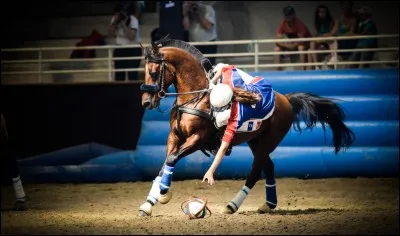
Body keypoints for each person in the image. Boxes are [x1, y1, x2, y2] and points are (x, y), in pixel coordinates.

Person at [203, 63, 275, 185]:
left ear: (227, 105)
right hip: (260, 85)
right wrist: (212, 80)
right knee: (218, 65)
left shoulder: (237, 115)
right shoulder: (229, 79)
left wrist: (211, 170)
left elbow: (223, 147)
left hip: (266, 106)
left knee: (220, 120)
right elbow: (224, 67)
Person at [108, 2, 142, 81]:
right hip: (120, 48)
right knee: (119, 74)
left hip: (133, 49)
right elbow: (110, 34)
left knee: (132, 74)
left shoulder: (133, 20)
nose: (121, 16)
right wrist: (114, 23)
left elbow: (132, 37)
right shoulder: (115, 19)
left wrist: (124, 26)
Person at [274, 6, 312, 71]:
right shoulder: (283, 23)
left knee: (301, 47)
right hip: (292, 45)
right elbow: (277, 40)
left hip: (304, 43)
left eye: (289, 14)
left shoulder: (299, 23)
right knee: (276, 49)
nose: (288, 17)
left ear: (293, 15)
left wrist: (293, 46)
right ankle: (278, 71)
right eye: (286, 15)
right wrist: (286, 45)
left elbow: (301, 40)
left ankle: (303, 70)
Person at [183, 1, 218, 65]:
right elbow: (186, 27)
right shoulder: (186, 10)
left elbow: (208, 26)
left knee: (208, 66)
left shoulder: (208, 9)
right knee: (196, 66)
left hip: (208, 44)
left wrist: (199, 12)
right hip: (194, 44)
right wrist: (186, 14)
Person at [307, 5, 335, 70]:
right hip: (321, 41)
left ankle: (333, 58)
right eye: (320, 12)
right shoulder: (318, 22)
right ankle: (316, 66)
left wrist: (323, 36)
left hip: (328, 42)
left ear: (326, 13)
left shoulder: (330, 22)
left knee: (330, 40)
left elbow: (331, 34)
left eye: (323, 12)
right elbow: (318, 33)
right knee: (310, 48)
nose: (321, 14)